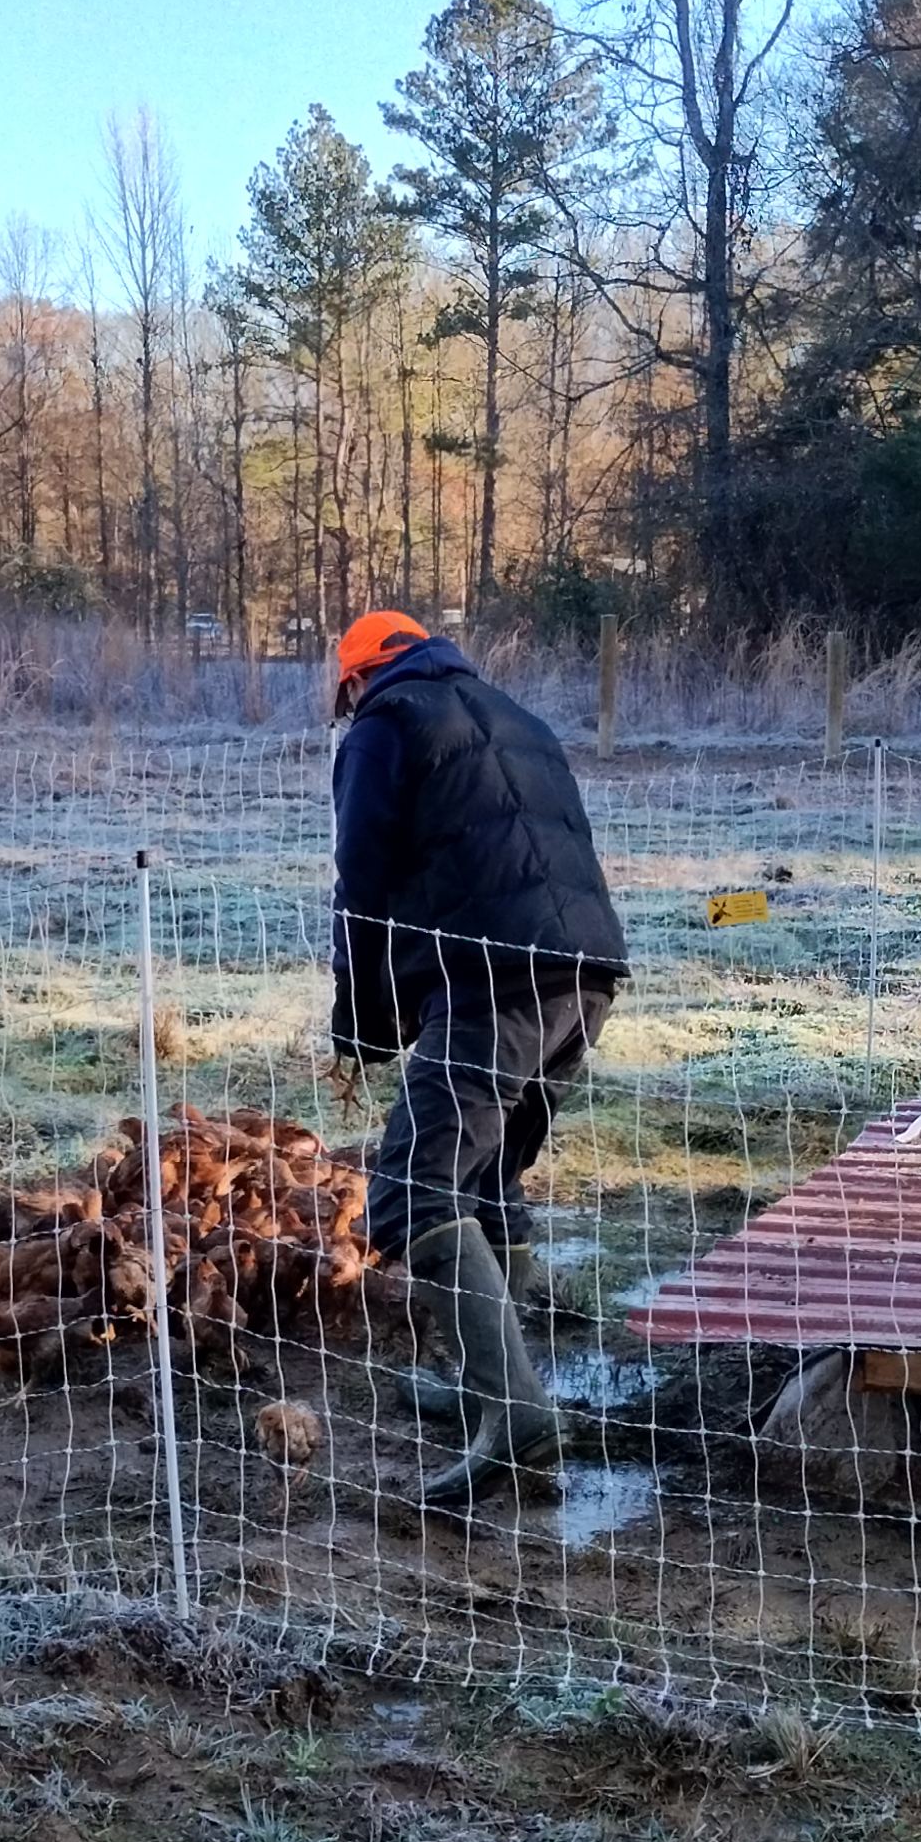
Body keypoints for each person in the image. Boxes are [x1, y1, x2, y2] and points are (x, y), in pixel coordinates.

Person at [327, 608, 628, 1504]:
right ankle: (486, 1390)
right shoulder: (517, 717)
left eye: (339, 697)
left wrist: (362, 1027)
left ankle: (519, 1420)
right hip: (588, 973)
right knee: (487, 1179)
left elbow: (364, 884)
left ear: (355, 679)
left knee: (413, 1189)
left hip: (491, 977)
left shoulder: (386, 723)